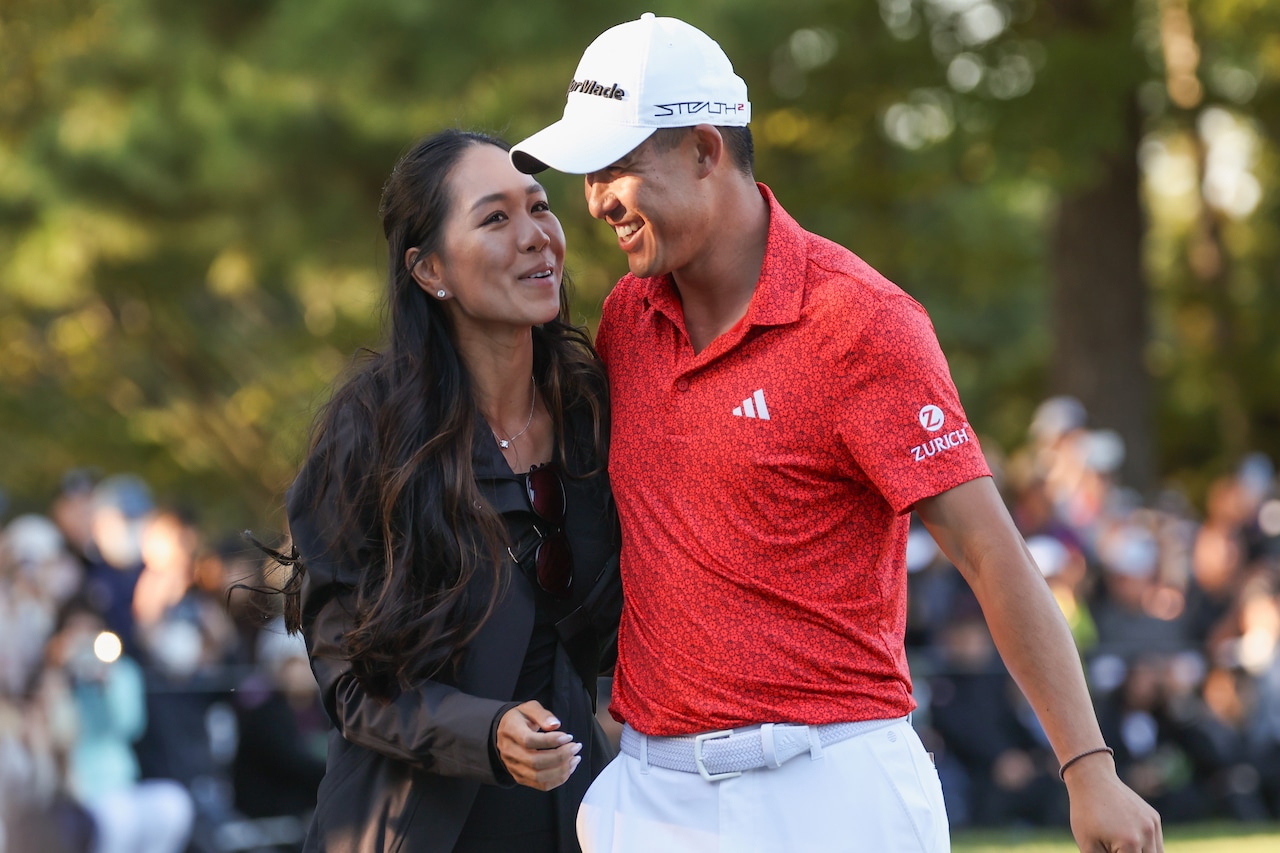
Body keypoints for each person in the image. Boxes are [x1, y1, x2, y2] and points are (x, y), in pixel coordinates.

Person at [510, 13, 1163, 853]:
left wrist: (1088, 767)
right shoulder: (627, 318)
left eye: (618, 168)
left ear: (705, 150)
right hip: (652, 793)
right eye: (589, 174)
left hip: (832, 789)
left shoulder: (859, 322)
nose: (596, 201)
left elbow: (989, 552)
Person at [282, 128, 621, 853]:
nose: (535, 236)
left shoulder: (593, 412)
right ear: (430, 269)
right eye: (495, 218)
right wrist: (487, 730)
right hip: (410, 829)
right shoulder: (370, 435)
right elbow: (351, 684)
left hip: (577, 821)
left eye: (538, 207)